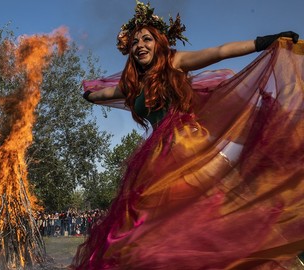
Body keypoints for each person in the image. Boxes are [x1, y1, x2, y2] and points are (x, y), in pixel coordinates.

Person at [72, 1, 303, 269]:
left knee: (212, 209)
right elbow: (102, 95)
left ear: (159, 42)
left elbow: (218, 52)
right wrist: (88, 95)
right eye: (135, 42)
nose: (140, 45)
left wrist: (262, 41)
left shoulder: (174, 62)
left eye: (147, 39)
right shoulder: (131, 85)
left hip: (189, 145)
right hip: (159, 156)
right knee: (155, 222)